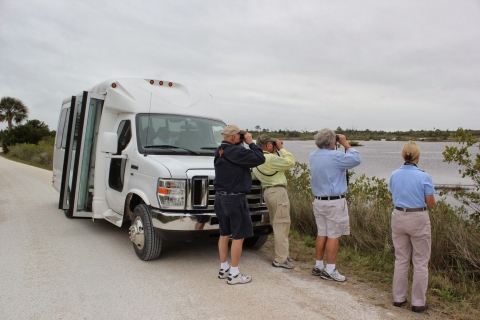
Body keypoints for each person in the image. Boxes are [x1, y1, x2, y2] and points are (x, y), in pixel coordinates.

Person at [213, 125, 265, 285]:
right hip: (235, 199)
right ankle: (234, 273)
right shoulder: (236, 152)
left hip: (220, 198)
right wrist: (251, 142)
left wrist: (242, 143)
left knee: (224, 233)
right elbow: (259, 158)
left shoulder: (219, 150)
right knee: (238, 236)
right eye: (239, 136)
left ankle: (224, 268)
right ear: (234, 137)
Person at [309, 128, 361, 282]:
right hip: (334, 202)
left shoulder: (312, 156)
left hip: (319, 200)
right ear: (333, 141)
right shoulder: (337, 156)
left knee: (322, 233)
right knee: (333, 235)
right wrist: (345, 143)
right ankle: (330, 269)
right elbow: (356, 159)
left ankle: (318, 265)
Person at [389, 141, 435, 313]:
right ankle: (418, 302)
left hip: (398, 215)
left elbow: (394, 193)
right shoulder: (424, 176)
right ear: (418, 156)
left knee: (401, 259)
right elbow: (430, 203)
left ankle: (398, 298)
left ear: (403, 155)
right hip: (417, 217)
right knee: (421, 261)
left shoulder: (394, 174)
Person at [252, 134, 295, 269]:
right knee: (282, 225)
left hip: (267, 192)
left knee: (278, 225)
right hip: (278, 192)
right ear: (269, 145)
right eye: (273, 144)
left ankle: (283, 254)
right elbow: (290, 162)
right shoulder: (270, 158)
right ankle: (281, 259)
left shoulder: (255, 159)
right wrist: (281, 149)